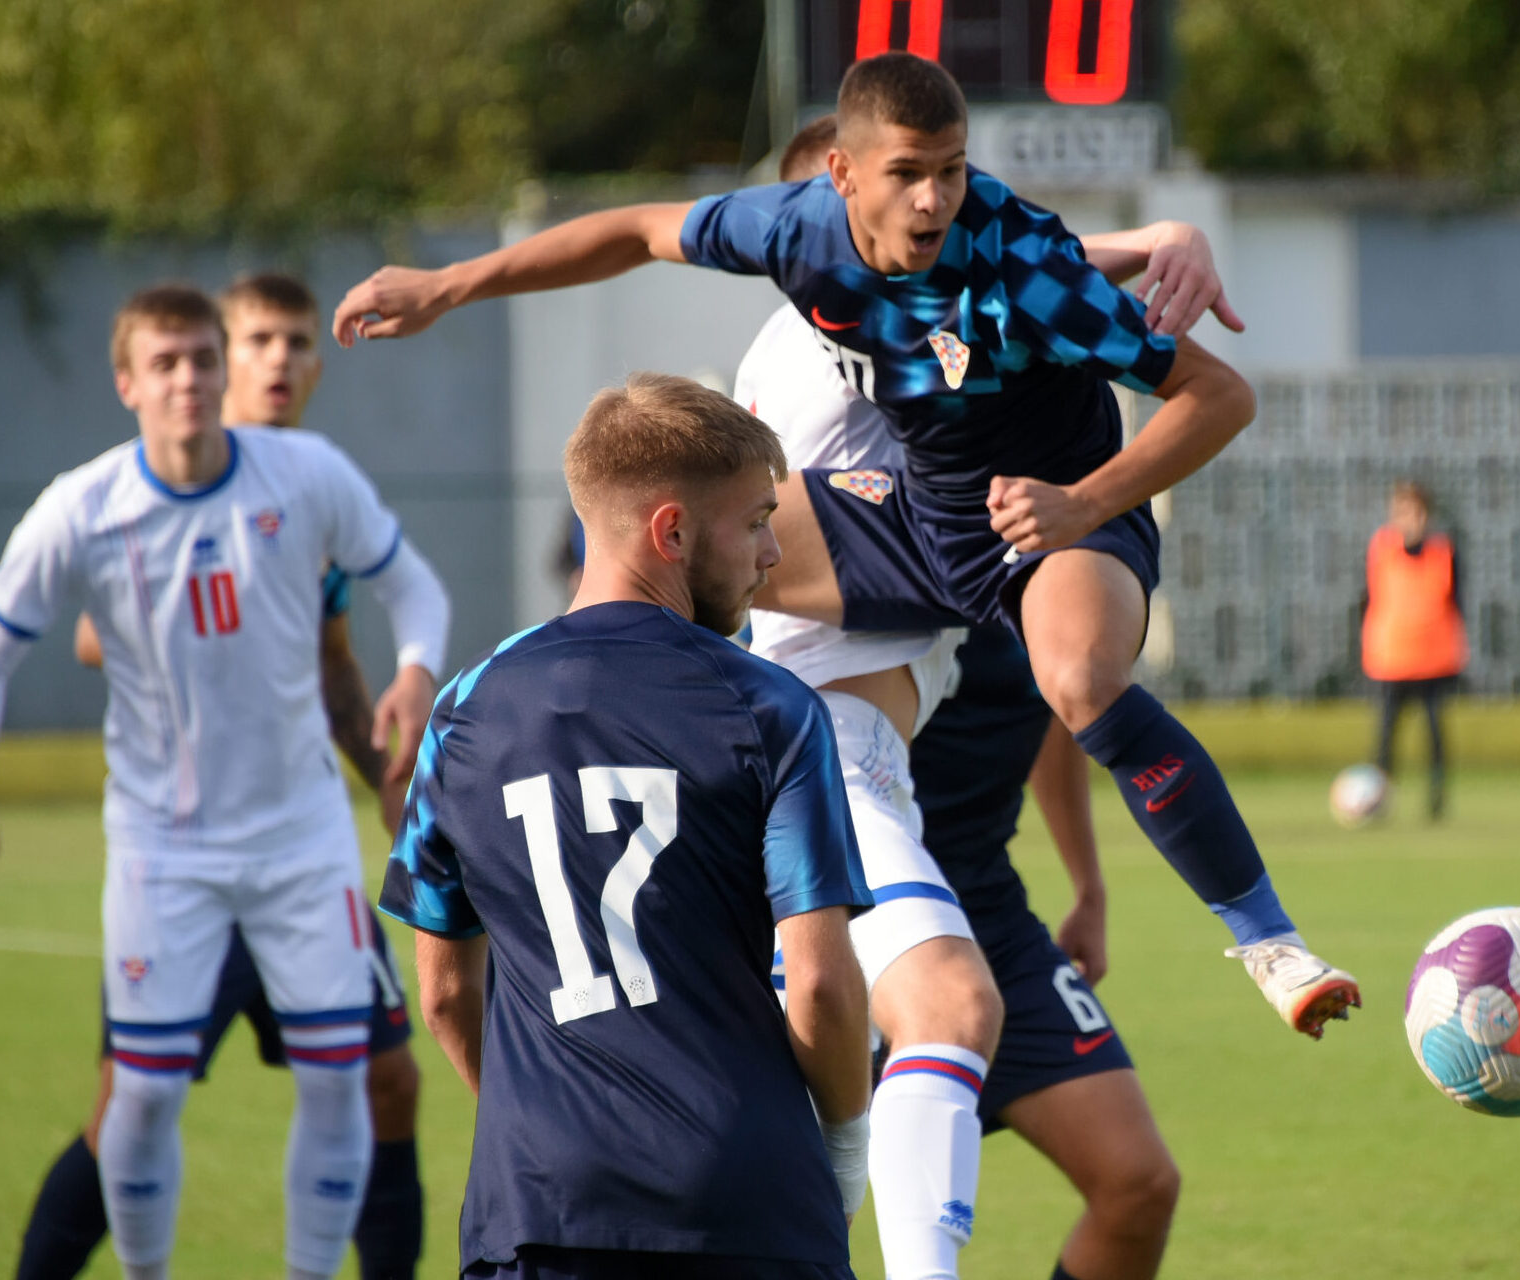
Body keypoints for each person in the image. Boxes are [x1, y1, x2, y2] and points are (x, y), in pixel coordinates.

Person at [332, 52, 1363, 1041]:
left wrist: (1083, 504)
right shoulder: (794, 231)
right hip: (916, 515)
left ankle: (1271, 943)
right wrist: (450, 284)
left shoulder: (1024, 265)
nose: (933, 201)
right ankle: (577, 791)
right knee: (670, 542)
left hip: (1050, 521)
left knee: (1081, 680)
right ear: (840, 175)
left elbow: (1219, 395)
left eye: (952, 172)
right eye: (907, 174)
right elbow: (636, 229)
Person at [737, 114, 1217, 1280]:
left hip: (978, 878)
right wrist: (1152, 234)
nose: (915, 235)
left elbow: (1046, 695)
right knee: (808, 1198)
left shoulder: (988, 412)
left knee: (1138, 1181)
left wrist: (1090, 879)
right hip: (833, 860)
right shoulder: (795, 389)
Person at [0, 284, 451, 1280]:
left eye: (206, 358)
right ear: (128, 381)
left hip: (299, 841)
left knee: (359, 1077)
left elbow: (388, 609)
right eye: (171, 361)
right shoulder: (86, 507)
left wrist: (415, 682)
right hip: (164, 849)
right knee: (136, 1098)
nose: (199, 376)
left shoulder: (307, 477)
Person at [380, 373, 874, 1279]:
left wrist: (554, 1120)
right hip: (743, 1198)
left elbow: (447, 993)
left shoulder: (463, 712)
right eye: (758, 520)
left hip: (534, 1206)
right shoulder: (769, 706)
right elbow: (822, 988)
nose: (772, 554)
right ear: (672, 531)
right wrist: (845, 1153)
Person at [918, 625, 1180, 1280]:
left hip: (992, 925)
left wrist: (1087, 887)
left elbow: (1056, 710)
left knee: (1138, 1184)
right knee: (802, 1217)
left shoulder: (1037, 562)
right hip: (849, 928)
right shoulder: (857, 553)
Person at [1361, 480, 1466, 820]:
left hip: (1434, 658)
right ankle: (1378, 799)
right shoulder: (1381, 549)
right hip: (1391, 658)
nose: (1409, 519)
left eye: (1415, 512)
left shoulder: (1444, 552)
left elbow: (1457, 603)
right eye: (1402, 511)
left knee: (1435, 733)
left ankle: (1437, 796)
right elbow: (1367, 599)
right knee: (1386, 737)